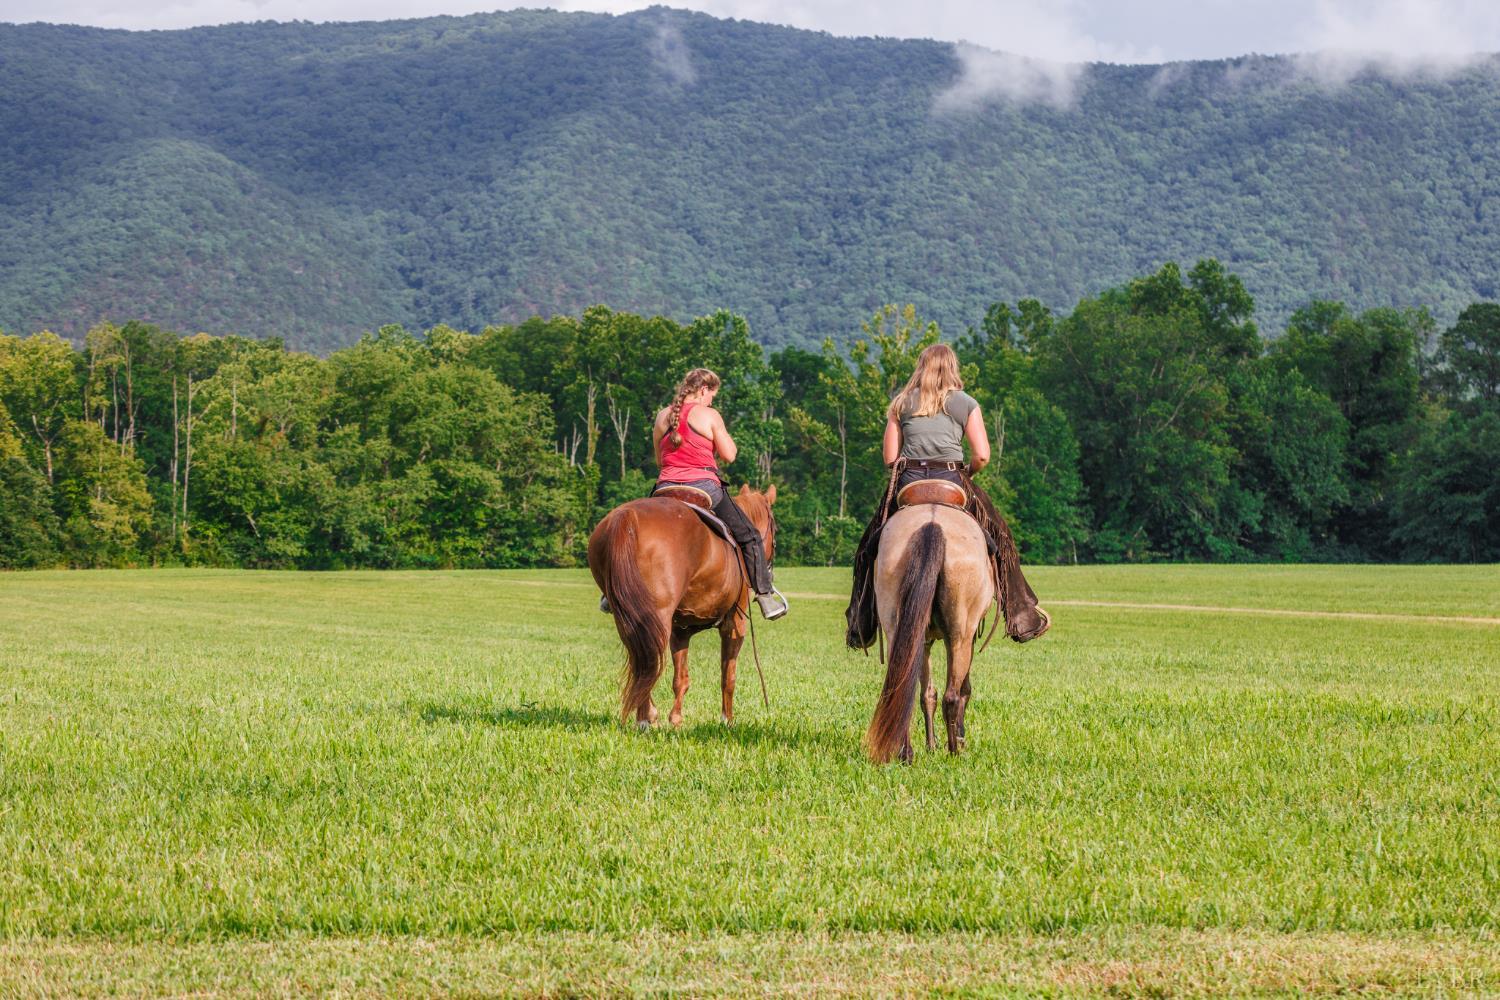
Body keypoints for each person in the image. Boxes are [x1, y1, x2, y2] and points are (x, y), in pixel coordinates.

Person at [846, 343, 1049, 648]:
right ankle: (1021, 615)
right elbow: (982, 455)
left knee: (868, 546)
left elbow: (890, 458)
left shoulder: (901, 403)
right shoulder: (966, 403)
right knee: (1001, 538)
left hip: (909, 481)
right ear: (953, 368)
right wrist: (969, 470)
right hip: (952, 478)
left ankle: (860, 623)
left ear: (921, 367)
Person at [602, 367, 789, 621]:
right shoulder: (708, 415)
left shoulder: (661, 417)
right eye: (712, 395)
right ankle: (766, 596)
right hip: (704, 487)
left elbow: (660, 460)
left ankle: (609, 594)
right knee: (750, 535)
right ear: (703, 390)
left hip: (665, 487)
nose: (712, 400)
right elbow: (730, 455)